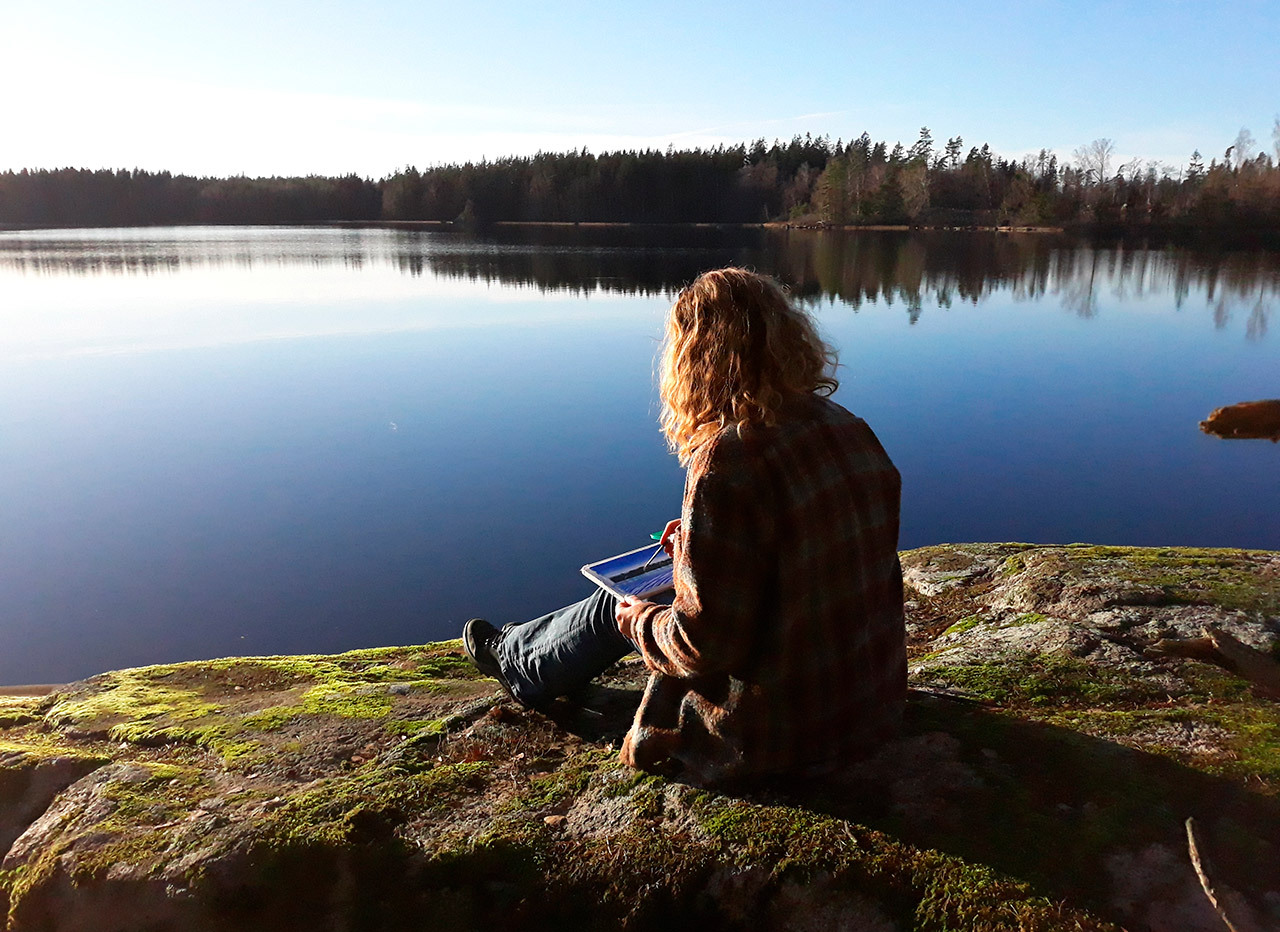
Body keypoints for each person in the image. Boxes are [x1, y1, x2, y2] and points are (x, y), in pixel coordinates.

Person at [463, 267, 905, 785]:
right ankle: (522, 651)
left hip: (779, 733)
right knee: (659, 582)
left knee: (624, 602)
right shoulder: (847, 426)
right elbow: (808, 553)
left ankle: (520, 662)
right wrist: (699, 546)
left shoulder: (730, 458)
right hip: (868, 700)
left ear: (696, 358)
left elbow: (703, 647)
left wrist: (639, 622)